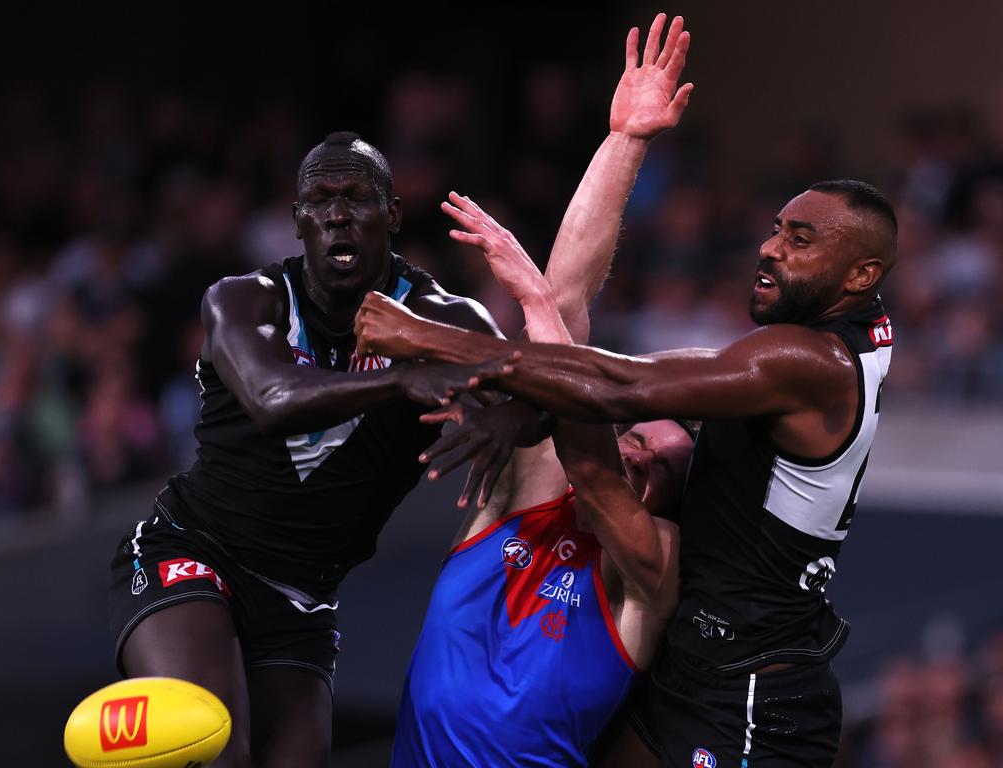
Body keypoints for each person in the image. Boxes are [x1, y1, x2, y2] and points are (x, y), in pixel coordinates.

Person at [356, 179, 897, 765]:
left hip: (752, 696)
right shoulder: (821, 347)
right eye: (776, 230)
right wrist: (528, 388)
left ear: (860, 275)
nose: (771, 248)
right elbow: (618, 374)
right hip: (696, 668)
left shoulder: (810, 361)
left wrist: (425, 335)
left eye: (801, 239)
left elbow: (615, 395)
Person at [106, 131, 526, 768]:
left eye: (356, 197)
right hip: (195, 549)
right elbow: (274, 397)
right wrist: (400, 377)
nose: (336, 213)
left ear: (392, 214)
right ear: (297, 220)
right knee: (215, 745)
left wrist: (515, 416)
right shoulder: (243, 299)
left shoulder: (446, 319)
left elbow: (543, 386)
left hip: (303, 598)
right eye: (319, 200)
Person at [390, 14, 694, 766]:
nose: (643, 452)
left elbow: (590, 453)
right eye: (638, 435)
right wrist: (626, 141)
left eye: (661, 462)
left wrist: (537, 310)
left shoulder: (651, 568)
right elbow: (566, 301)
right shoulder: (524, 500)